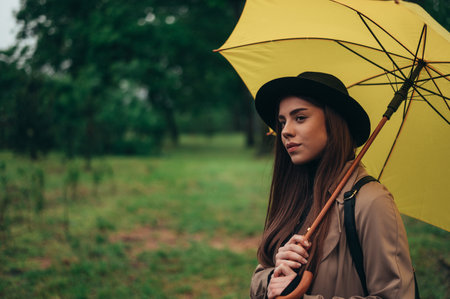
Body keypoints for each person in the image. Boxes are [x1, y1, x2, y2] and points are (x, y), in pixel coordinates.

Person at [250, 72, 416, 299]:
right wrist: (274, 277)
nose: (286, 131)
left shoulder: (372, 202)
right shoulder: (295, 193)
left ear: (333, 122)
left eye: (300, 118)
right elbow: (260, 277)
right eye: (282, 121)